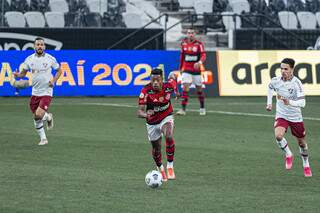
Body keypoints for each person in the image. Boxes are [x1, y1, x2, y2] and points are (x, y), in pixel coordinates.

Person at [266, 58, 312, 177]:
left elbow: (303, 103)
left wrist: (289, 102)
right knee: (278, 135)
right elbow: (270, 87)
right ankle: (288, 154)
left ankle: (306, 164)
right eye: (281, 68)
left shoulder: (297, 83)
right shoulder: (276, 80)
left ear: (292, 69)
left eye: (286, 69)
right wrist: (269, 103)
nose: (283, 71)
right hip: (282, 115)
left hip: (295, 117)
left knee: (302, 143)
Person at [12, 37, 62, 146]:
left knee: (38, 115)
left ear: (44, 47)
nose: (40, 46)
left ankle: (44, 132)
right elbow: (23, 74)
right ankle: (46, 128)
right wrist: (18, 75)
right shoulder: (29, 59)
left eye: (41, 45)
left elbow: (59, 71)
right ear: (34, 46)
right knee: (36, 116)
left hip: (47, 91)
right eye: (38, 44)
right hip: (35, 92)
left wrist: (53, 81)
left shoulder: (50, 59)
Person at [137, 68, 179, 182]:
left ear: (162, 80)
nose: (155, 82)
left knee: (169, 135)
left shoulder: (169, 86)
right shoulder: (145, 91)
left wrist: (177, 91)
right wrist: (146, 114)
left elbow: (173, 76)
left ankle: (170, 166)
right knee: (156, 148)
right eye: (153, 80)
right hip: (152, 121)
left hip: (166, 116)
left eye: (158, 80)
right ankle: (160, 168)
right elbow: (139, 112)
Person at [176, 28, 206, 116]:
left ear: (195, 34)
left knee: (199, 90)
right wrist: (181, 68)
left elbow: (203, 55)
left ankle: (202, 107)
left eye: (192, 33)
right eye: (189, 33)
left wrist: (200, 62)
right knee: (185, 88)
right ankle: (183, 109)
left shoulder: (199, 44)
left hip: (196, 71)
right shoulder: (183, 44)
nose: (190, 34)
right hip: (187, 70)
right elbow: (182, 57)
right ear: (187, 34)